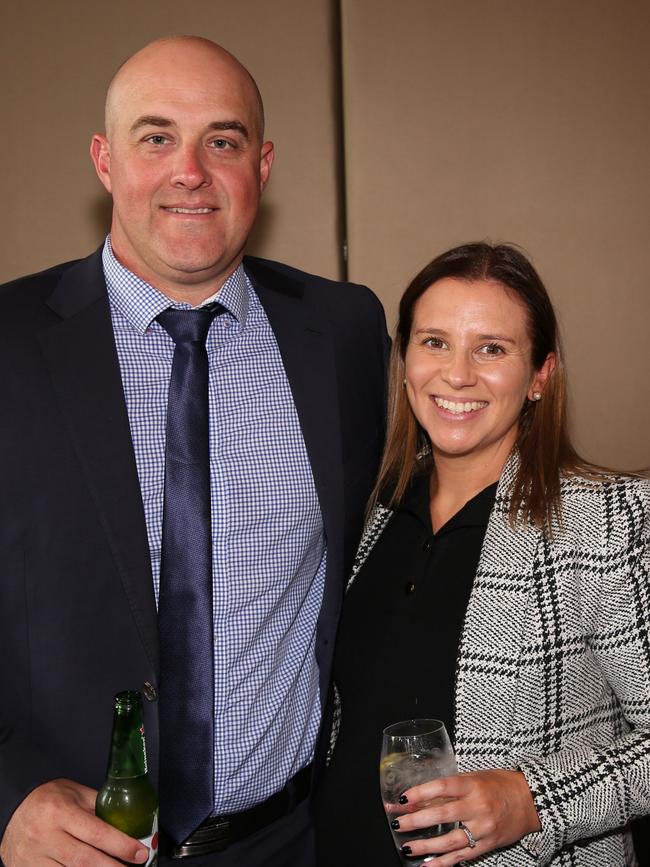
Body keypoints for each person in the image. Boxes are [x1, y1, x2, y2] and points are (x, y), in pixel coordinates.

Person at [0, 36, 389, 867]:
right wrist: (3, 797)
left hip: (286, 842)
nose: (190, 170)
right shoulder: (8, 344)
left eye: (223, 139)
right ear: (104, 161)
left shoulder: (346, 334)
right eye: (155, 137)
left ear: (264, 163)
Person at [314, 242, 650, 866]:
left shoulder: (608, 520)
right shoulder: (373, 506)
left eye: (491, 348)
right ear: (405, 360)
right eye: (434, 342)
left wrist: (534, 799)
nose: (457, 374)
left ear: (540, 375)